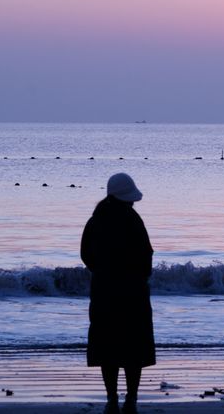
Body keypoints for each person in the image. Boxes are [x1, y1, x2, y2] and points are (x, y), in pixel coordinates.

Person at [81, 173, 156, 414]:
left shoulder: (96, 220)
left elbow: (86, 254)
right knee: (134, 349)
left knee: (108, 349)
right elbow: (147, 255)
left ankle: (112, 399)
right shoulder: (133, 220)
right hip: (133, 292)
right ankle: (131, 399)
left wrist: (101, 273)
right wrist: (140, 277)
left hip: (104, 292)